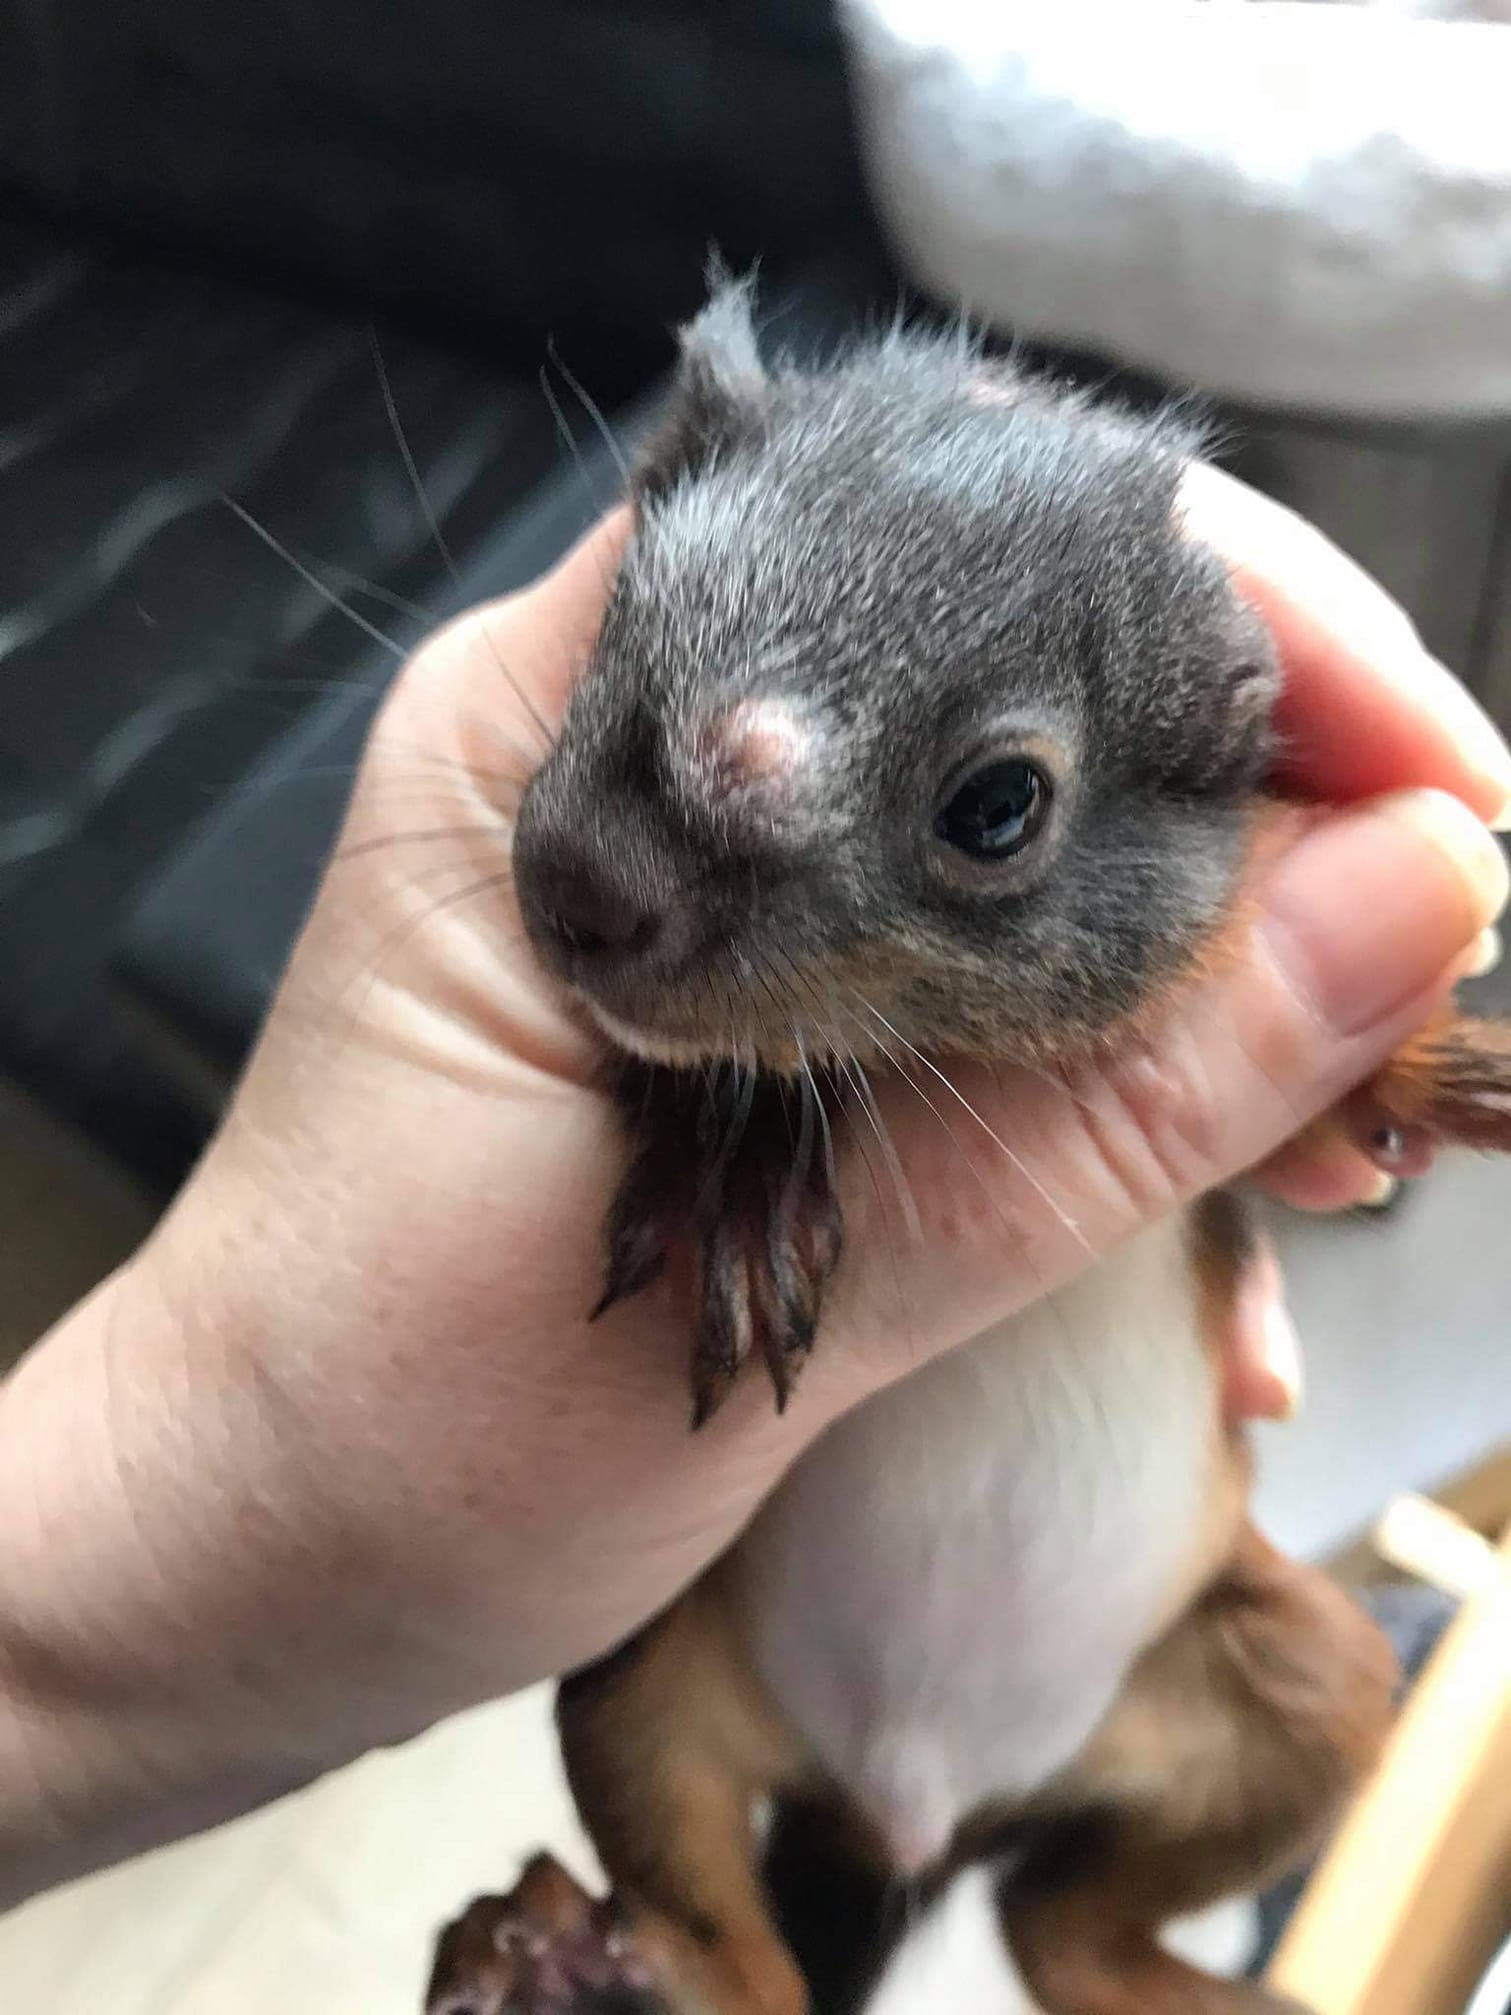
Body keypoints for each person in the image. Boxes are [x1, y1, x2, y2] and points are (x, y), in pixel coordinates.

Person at [0, 472, 1507, 1913]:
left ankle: (1094, 1946)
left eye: (991, 814)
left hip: (1154, 1663)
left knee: (1318, 1700)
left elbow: (1258, 1016)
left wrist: (1390, 1055)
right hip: (756, 1669)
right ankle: (721, 1952)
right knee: (637, 1697)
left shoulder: (1170, 905)